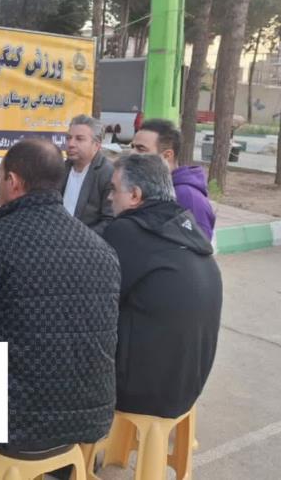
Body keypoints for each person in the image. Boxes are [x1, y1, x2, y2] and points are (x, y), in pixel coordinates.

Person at [0, 138, 119, 475]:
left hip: (10, 420)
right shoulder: (101, 248)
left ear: (13, 181)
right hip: (87, 417)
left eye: (0, 179)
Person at [104, 153, 222, 418]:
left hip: (143, 394)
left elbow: (97, 302)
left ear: (135, 195)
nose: (110, 198)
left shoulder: (127, 230)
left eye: (114, 189)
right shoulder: (186, 225)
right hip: (188, 387)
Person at [131, 118, 216, 239]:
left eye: (141, 149)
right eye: (132, 147)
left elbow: (198, 247)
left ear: (167, 155)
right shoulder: (148, 187)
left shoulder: (188, 197)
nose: (132, 153)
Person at [61, 114, 114, 234]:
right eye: (69, 138)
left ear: (96, 145)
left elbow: (109, 220)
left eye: (79, 139)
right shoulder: (61, 169)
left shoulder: (107, 173)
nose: (71, 144)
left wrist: (81, 238)